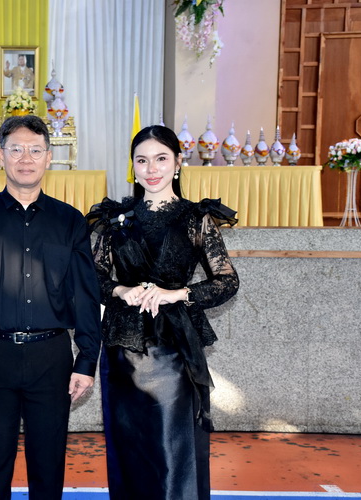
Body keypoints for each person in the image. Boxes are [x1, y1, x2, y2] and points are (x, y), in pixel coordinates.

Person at [0, 115, 101, 500]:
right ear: (0, 156)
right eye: (16, 149)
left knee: (48, 467)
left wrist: (86, 360)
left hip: (52, 358)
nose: (25, 158)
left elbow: (86, 294)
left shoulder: (70, 221)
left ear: (49, 157)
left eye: (35, 150)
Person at [86, 125, 239, 499]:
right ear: (133, 166)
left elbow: (227, 281)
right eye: (142, 160)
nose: (151, 169)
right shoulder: (114, 218)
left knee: (173, 450)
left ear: (178, 163)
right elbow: (91, 278)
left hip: (174, 346)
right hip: (123, 348)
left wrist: (178, 294)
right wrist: (121, 289)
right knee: (129, 448)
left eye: (160, 159)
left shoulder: (196, 218)